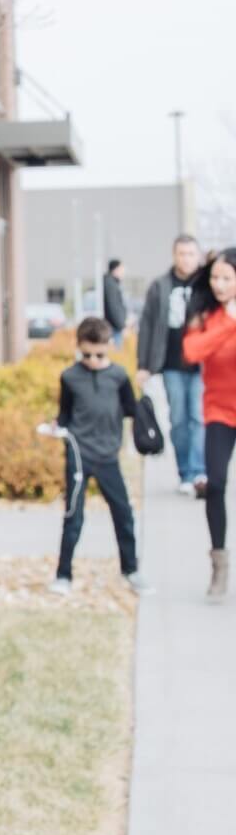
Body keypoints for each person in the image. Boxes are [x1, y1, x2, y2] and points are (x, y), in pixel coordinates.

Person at [44, 317, 150, 596]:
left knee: (123, 513)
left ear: (108, 347)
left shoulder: (119, 376)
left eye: (99, 355)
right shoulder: (69, 377)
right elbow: (65, 413)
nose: (92, 360)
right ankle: (63, 574)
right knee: (73, 516)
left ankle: (131, 569)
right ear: (79, 348)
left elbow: (131, 410)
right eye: (86, 354)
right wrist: (57, 425)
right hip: (79, 455)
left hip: (108, 456)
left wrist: (142, 397)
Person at [182, 246, 236, 602]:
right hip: (219, 411)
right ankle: (219, 563)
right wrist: (230, 322)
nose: (218, 284)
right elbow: (192, 351)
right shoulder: (205, 313)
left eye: (227, 278)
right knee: (214, 485)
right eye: (215, 277)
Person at [137, 235, 207, 497]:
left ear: (198, 256)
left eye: (191, 254)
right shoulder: (161, 285)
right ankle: (185, 473)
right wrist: (143, 364)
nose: (186, 259)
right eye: (181, 253)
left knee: (198, 417)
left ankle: (199, 471)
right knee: (178, 419)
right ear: (174, 255)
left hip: (201, 365)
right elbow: (147, 325)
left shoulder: (207, 284)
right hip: (171, 363)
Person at [103, 258, 128, 346]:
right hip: (114, 328)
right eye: (122, 269)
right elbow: (114, 307)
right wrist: (121, 326)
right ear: (116, 269)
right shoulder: (111, 285)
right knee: (116, 351)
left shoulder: (111, 283)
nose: (123, 272)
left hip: (113, 326)